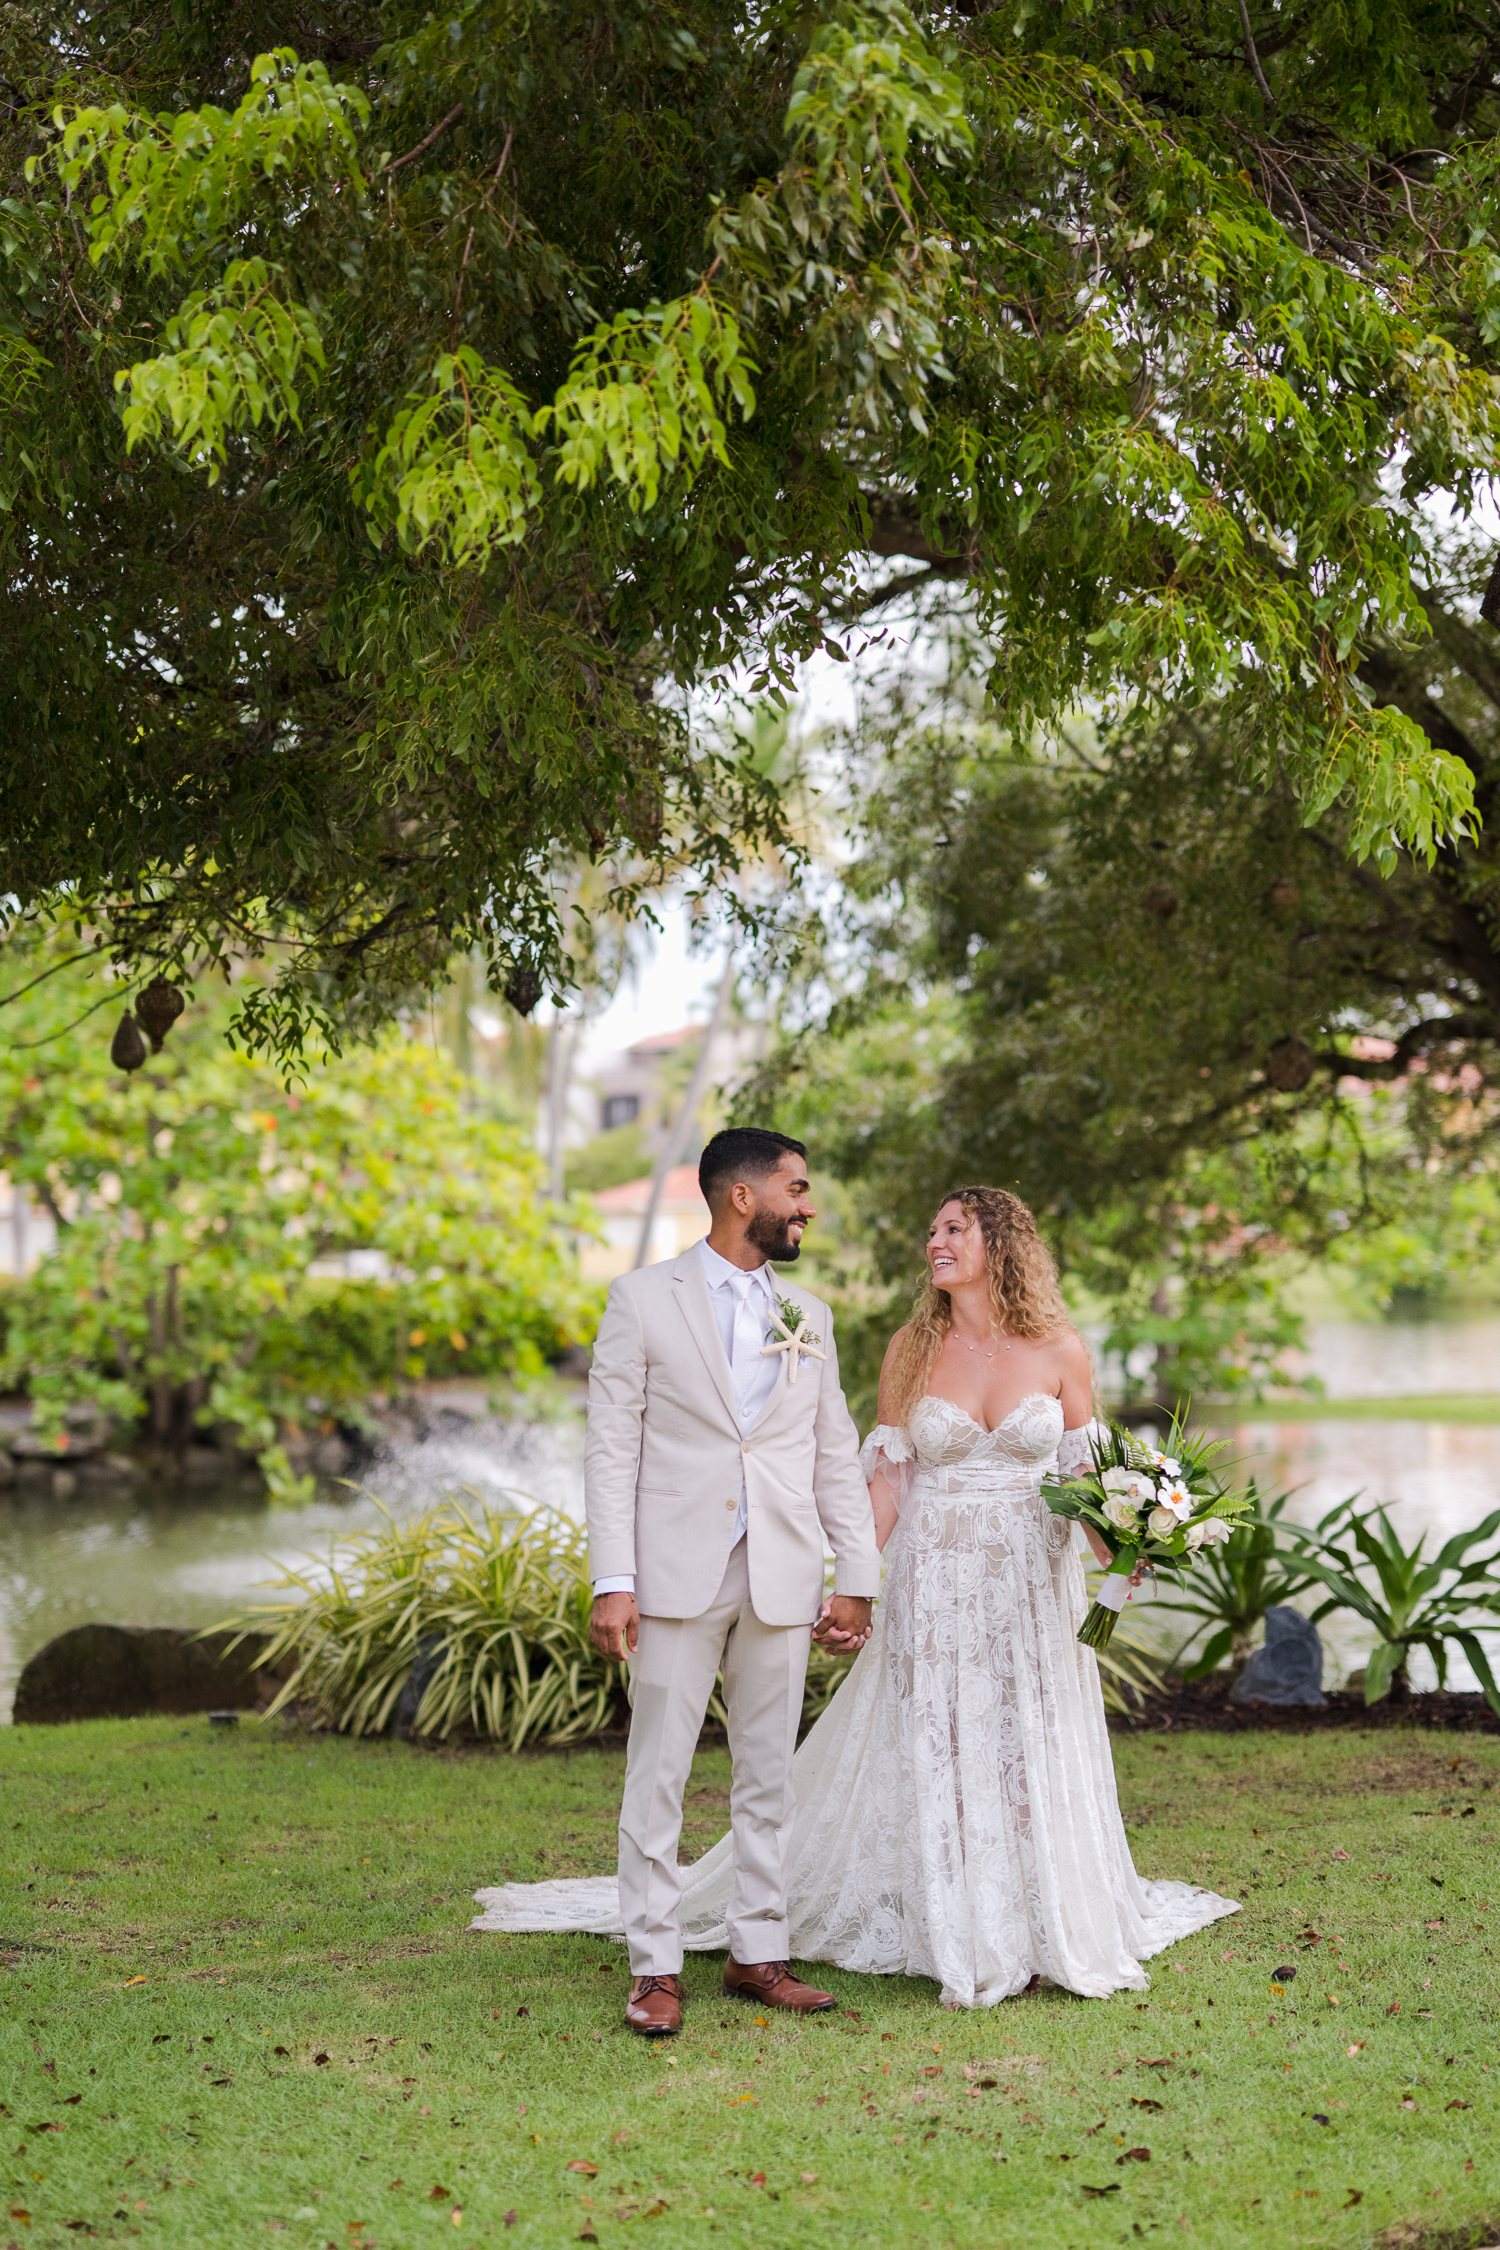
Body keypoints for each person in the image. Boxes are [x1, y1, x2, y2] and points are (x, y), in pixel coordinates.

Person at [472, 1181, 1236, 2010]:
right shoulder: (913, 1345)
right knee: (940, 1742)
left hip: (1027, 1582)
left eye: (954, 1229)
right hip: (934, 1581)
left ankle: (1039, 1921)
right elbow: (883, 1481)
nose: (935, 1242)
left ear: (1002, 1245)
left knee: (1026, 1738)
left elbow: (1082, 1475)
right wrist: (850, 1582)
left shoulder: (1060, 1349)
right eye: (932, 1227)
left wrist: (1135, 1538)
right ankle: (945, 1921)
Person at [484, 1127, 880, 2036]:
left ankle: (758, 1952)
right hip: (671, 1574)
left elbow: (829, 1453)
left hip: (780, 1571)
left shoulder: (807, 1315)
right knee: (658, 1772)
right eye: (798, 1188)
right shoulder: (640, 1300)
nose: (808, 1206)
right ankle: (655, 1965)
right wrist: (612, 1580)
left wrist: (856, 1575)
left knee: (768, 1775)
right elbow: (610, 1447)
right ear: (743, 1196)